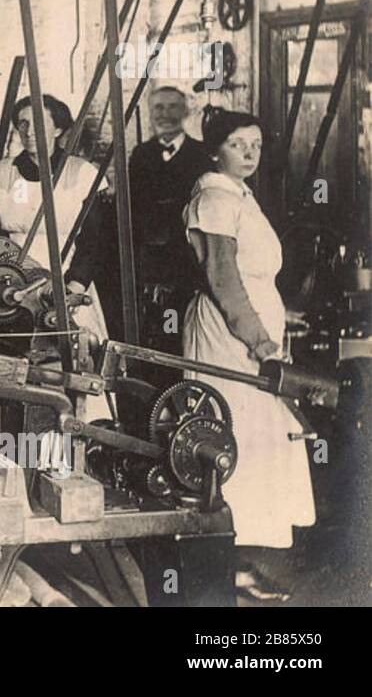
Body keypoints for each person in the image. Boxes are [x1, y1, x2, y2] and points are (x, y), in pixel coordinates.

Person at [183, 110, 313, 598]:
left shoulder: (239, 195)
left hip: (252, 329)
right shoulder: (214, 196)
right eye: (238, 144)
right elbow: (223, 279)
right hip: (229, 337)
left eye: (256, 144)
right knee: (232, 442)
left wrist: (280, 321)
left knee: (253, 443)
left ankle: (235, 565)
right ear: (216, 150)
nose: (250, 153)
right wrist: (262, 345)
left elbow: (252, 275)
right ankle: (223, 566)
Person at [0, 94, 109, 364]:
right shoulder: (1, 172)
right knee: (15, 360)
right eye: (22, 124)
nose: (29, 131)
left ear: (58, 128)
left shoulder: (83, 173)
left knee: (76, 357)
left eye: (38, 123)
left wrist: (73, 286)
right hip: (13, 283)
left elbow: (95, 240)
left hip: (68, 278)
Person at [128, 86, 214, 353]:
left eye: (173, 107)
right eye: (159, 108)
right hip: (152, 264)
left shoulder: (202, 155)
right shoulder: (140, 155)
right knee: (155, 328)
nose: (165, 114)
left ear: (186, 111)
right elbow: (135, 206)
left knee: (182, 328)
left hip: (188, 262)